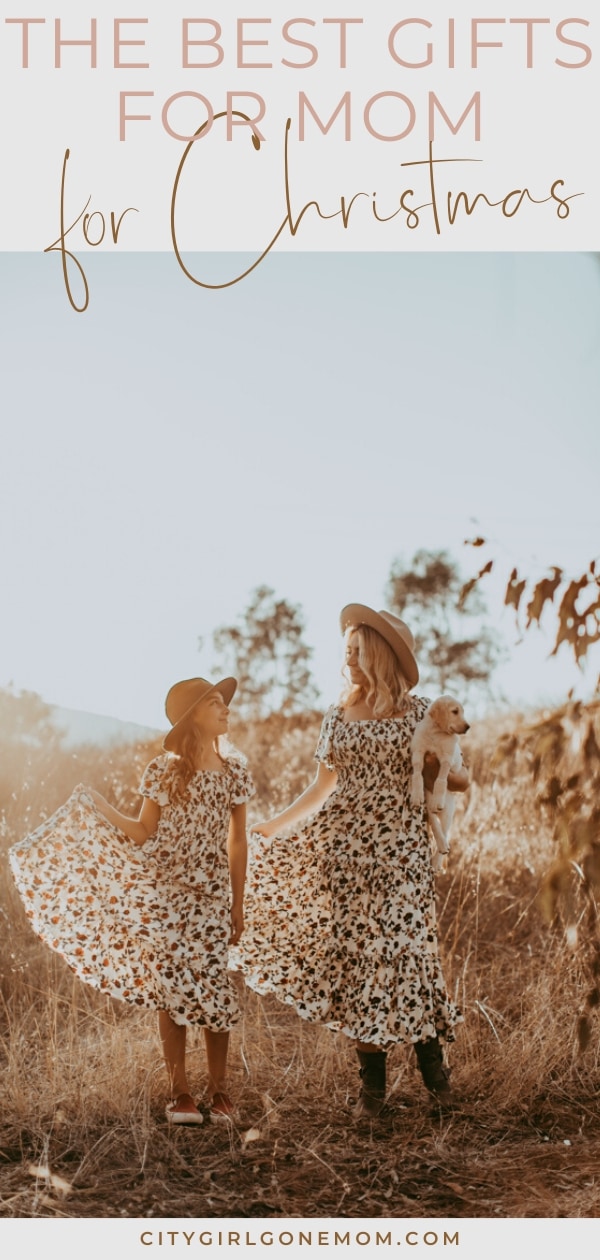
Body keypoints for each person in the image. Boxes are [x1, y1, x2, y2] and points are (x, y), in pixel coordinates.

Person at [233, 605, 468, 1117]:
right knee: (361, 965)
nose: (349, 660)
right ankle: (372, 1095)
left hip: (402, 852)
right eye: (346, 652)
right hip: (344, 854)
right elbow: (322, 786)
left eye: (357, 651)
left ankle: (437, 1080)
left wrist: (433, 770)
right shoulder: (337, 715)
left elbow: (460, 778)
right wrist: (273, 826)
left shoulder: (422, 712)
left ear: (379, 655)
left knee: (411, 955)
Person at [9, 676, 254, 1126]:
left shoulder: (235, 770)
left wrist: (237, 903)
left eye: (224, 703)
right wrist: (101, 806)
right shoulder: (162, 770)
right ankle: (180, 1093)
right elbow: (142, 832)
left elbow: (237, 843)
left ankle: (219, 1092)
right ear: (193, 715)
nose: (226, 709)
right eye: (215, 703)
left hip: (213, 894)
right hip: (166, 892)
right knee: (173, 991)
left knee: (215, 989)